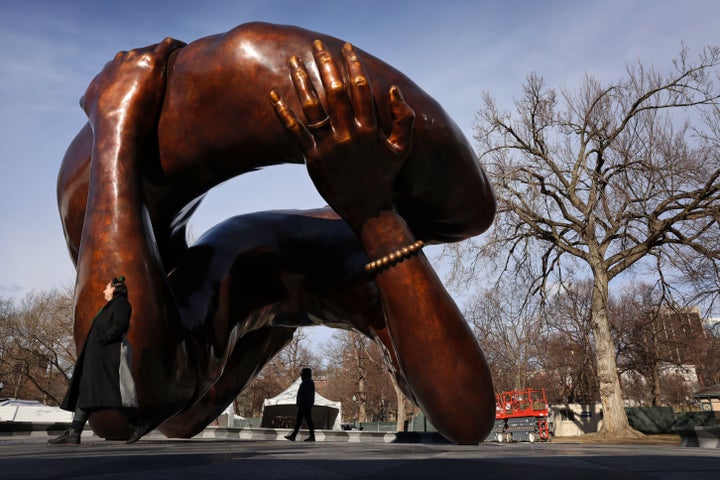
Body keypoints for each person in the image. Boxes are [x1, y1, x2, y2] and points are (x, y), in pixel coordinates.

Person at [56, 23, 496, 444]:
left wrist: (113, 128)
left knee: (151, 396)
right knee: (164, 405)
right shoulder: (239, 273)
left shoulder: (356, 283)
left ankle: (252, 318)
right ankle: (254, 321)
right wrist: (375, 217)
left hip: (249, 267)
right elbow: (152, 417)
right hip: (244, 272)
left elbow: (468, 418)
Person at [49, 276, 143, 445]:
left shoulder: (121, 304)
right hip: (98, 357)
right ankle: (74, 432)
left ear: (115, 289)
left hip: (109, 356)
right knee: (86, 391)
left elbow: (120, 325)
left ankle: (138, 423)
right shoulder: (110, 305)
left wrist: (103, 339)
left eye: (106, 287)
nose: (103, 291)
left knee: (114, 392)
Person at [285, 368, 316, 442]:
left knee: (308, 420)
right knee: (300, 420)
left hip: (305, 405)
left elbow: (306, 395)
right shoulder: (307, 382)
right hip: (304, 404)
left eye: (302, 374)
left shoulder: (308, 382)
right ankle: (294, 436)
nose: (301, 376)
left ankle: (312, 436)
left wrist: (303, 403)